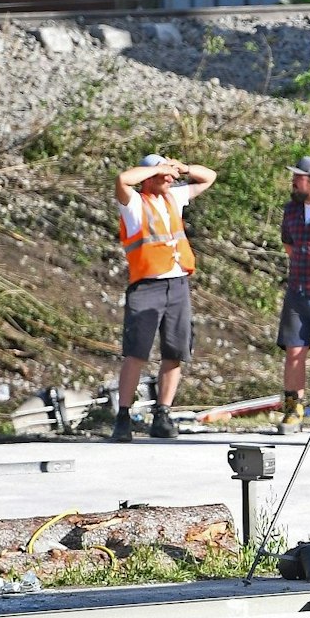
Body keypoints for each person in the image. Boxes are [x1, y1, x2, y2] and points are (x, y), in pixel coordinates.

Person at [113, 152, 217, 440]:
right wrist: (155, 169)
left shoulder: (174, 197)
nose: (170, 179)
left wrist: (182, 167)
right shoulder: (135, 204)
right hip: (147, 286)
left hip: (177, 284)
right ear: (149, 176)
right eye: (163, 175)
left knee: (175, 351)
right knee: (136, 353)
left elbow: (209, 177)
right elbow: (123, 180)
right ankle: (123, 416)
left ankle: (163, 413)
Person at [274, 155, 310, 436]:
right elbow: (288, 244)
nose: (294, 182)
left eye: (299, 177)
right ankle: (292, 409)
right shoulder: (291, 210)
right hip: (298, 293)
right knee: (294, 353)